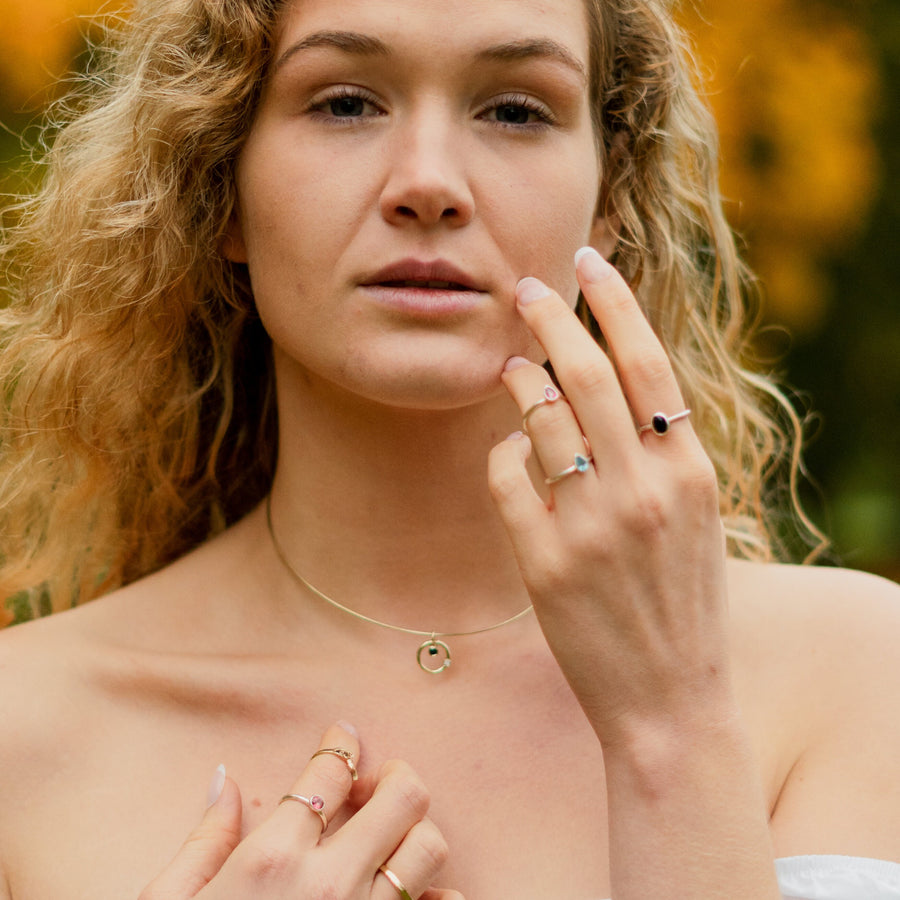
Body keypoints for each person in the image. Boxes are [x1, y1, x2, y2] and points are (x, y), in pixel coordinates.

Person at [0, 0, 898, 897]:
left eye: (515, 110)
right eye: (345, 102)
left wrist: (672, 731)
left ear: (609, 200)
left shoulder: (858, 679)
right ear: (220, 183)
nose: (428, 183)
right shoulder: (23, 740)